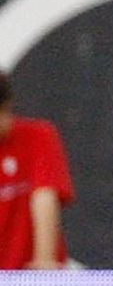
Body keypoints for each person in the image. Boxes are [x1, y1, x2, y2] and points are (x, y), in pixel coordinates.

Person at [0, 69, 74, 271]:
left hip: (32, 283)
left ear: (7, 106)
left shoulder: (39, 136)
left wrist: (45, 263)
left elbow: (44, 196)